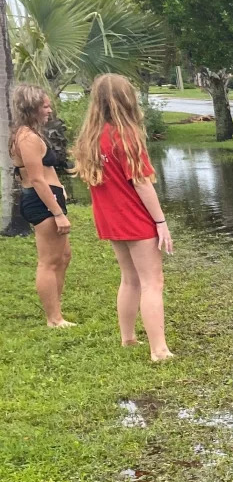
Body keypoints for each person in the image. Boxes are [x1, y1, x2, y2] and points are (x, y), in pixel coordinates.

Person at [73, 74, 174, 362]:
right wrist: (160, 221)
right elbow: (142, 182)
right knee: (152, 282)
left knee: (130, 279)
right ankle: (159, 350)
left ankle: (128, 338)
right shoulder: (126, 136)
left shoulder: (92, 138)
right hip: (134, 219)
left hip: (110, 219)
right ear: (127, 99)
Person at [10, 84, 75, 328]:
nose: (49, 110)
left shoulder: (32, 133)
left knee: (64, 256)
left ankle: (56, 309)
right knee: (48, 261)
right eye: (45, 106)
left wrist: (60, 190)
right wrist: (57, 213)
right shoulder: (26, 137)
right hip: (42, 203)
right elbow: (36, 179)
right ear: (31, 108)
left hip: (50, 198)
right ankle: (53, 319)